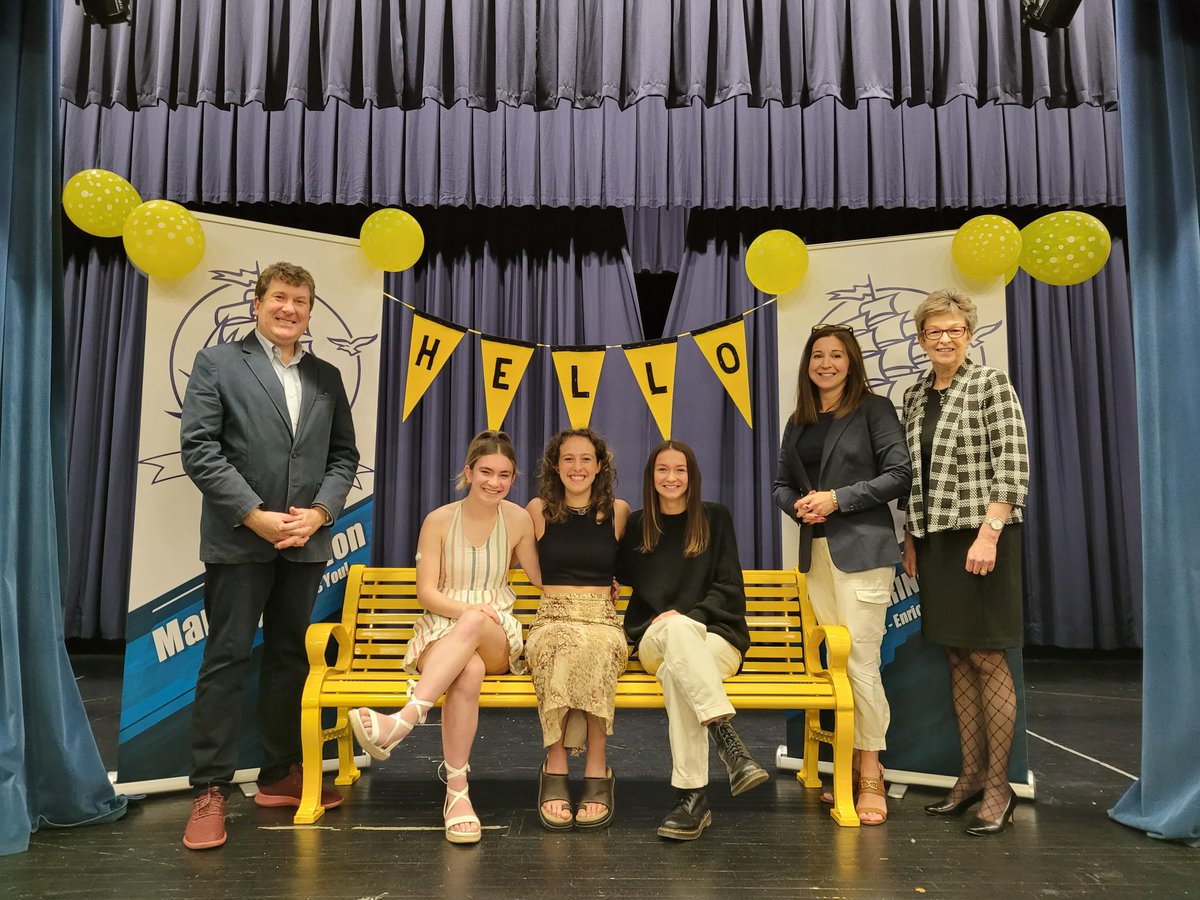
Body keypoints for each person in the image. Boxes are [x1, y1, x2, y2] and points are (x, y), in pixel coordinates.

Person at [179, 261, 360, 851]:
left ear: (310, 312)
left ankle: (280, 773)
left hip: (305, 544)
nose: (289, 309)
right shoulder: (217, 364)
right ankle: (210, 789)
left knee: (289, 656)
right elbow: (200, 450)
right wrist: (254, 514)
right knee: (227, 657)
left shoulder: (327, 376)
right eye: (279, 298)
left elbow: (343, 457)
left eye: (300, 301)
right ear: (256, 304)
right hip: (239, 540)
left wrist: (322, 513)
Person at [350, 430, 540, 844]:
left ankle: (402, 721)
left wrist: (599, 581)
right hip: (440, 624)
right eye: (486, 472)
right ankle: (457, 794)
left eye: (504, 475)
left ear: (513, 478)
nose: (494, 482)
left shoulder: (518, 519)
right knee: (467, 671)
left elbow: (542, 579)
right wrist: (466, 611)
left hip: (496, 630)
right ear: (468, 472)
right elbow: (427, 593)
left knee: (475, 631)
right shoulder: (438, 520)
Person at [900, 289, 1029, 837]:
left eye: (954, 330)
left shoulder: (991, 384)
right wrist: (911, 534)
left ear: (969, 335)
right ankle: (970, 776)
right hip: (935, 541)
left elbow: (1013, 463)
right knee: (957, 657)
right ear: (922, 339)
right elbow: (915, 473)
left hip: (982, 539)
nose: (944, 338)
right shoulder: (914, 395)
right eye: (934, 331)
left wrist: (990, 533)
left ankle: (999, 788)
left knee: (988, 660)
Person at [772, 324, 911, 825]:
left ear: (851, 362)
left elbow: (900, 474)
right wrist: (800, 508)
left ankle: (870, 772)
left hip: (863, 553)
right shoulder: (799, 420)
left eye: (836, 355)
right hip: (818, 556)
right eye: (817, 356)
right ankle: (847, 765)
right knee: (834, 666)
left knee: (860, 665)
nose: (825, 363)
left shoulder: (874, 410)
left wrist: (837, 499)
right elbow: (781, 484)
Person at [618, 440, 767, 841]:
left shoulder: (714, 519)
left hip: (716, 638)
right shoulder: (636, 525)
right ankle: (727, 739)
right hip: (655, 639)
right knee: (674, 637)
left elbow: (730, 588)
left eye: (679, 470)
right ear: (652, 477)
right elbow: (611, 575)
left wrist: (689, 618)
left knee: (675, 673)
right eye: (662, 470)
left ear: (692, 475)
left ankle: (693, 796)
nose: (671, 477)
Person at [525, 428, 630, 831]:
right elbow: (520, 560)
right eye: (568, 459)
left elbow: (632, 563)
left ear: (600, 465)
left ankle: (596, 767)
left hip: (602, 619)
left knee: (598, 648)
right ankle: (555, 764)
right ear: (555, 465)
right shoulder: (537, 510)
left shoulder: (618, 511)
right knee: (558, 644)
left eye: (586, 459)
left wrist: (614, 583)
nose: (577, 467)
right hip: (552, 616)